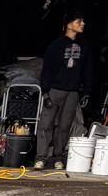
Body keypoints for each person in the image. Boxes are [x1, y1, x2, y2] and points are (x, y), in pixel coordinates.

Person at [33, 16, 92, 170]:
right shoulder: (55, 46)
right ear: (68, 24)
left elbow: (87, 70)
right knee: (46, 124)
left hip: (73, 91)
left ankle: (58, 157)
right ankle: (41, 157)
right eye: (79, 21)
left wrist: (86, 91)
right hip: (55, 89)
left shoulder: (84, 46)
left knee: (65, 126)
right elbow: (46, 70)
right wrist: (45, 93)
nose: (82, 24)